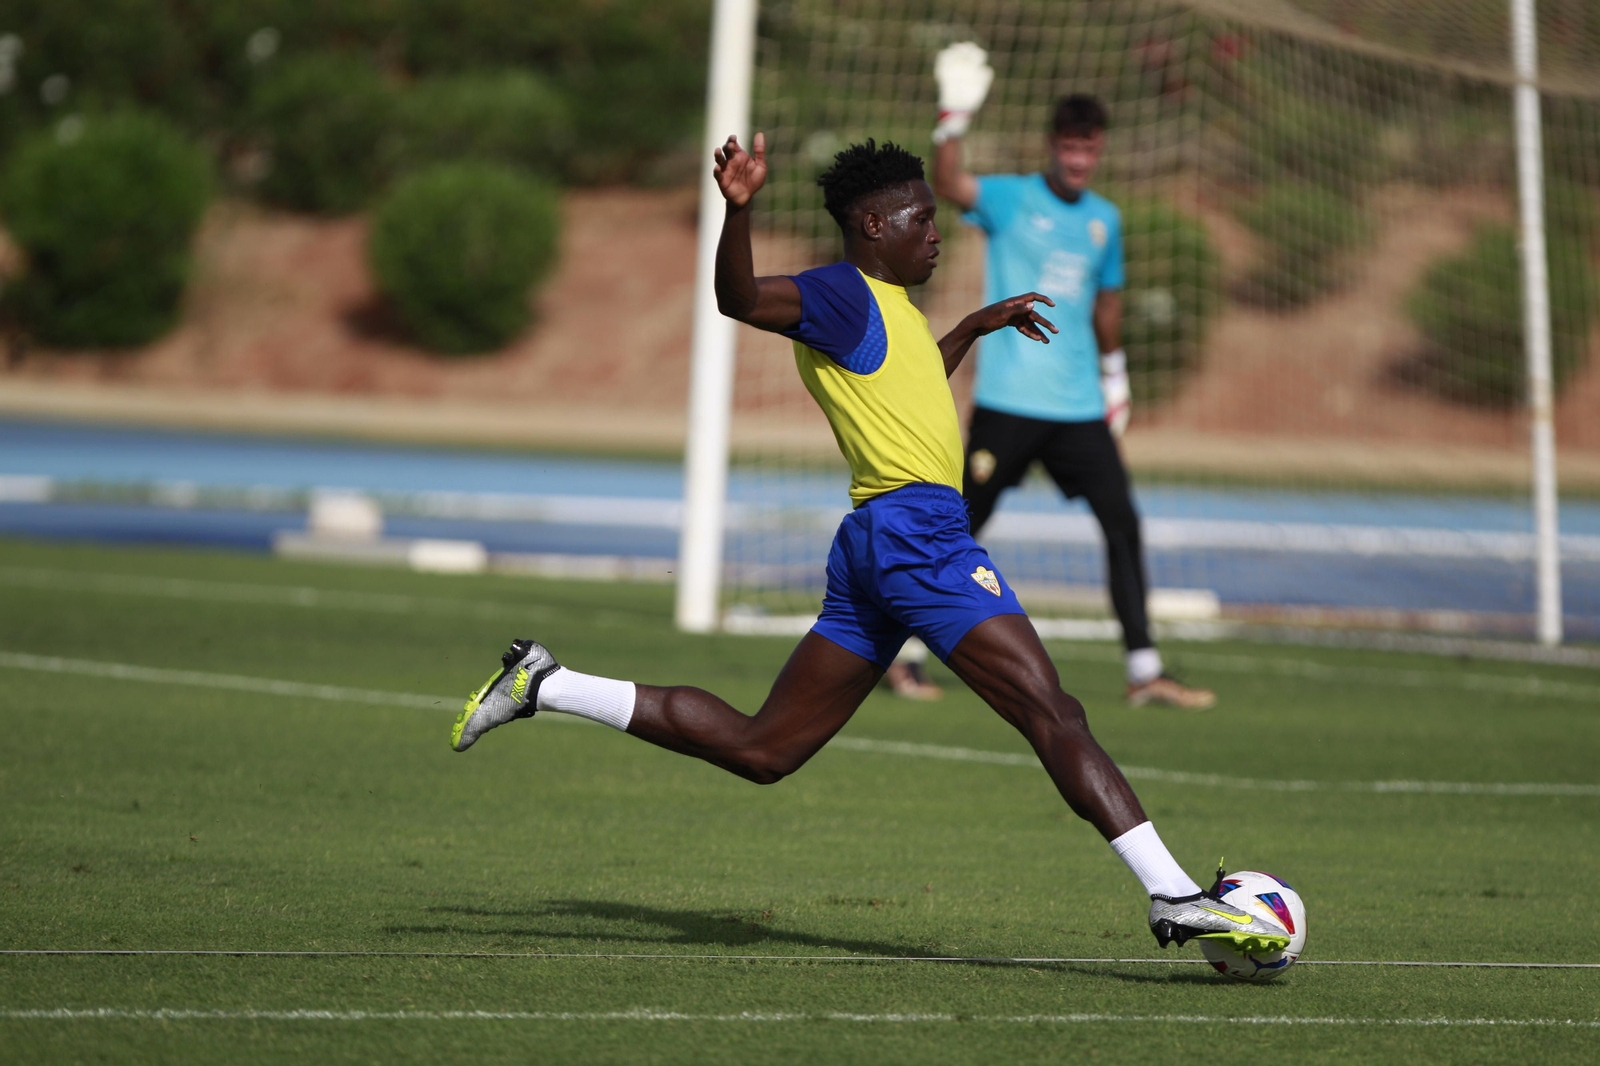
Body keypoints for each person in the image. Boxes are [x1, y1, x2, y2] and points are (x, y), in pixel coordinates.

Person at [450, 133, 1285, 956]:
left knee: (764, 749)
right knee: (1051, 709)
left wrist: (974, 327)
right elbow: (739, 300)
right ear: (876, 226)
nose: (936, 232)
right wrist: (737, 211)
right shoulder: (843, 296)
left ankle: (548, 684)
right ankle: (1173, 895)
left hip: (877, 545)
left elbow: (914, 375)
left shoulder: (894, 314)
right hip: (917, 536)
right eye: (922, 219)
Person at [930, 43, 1214, 710]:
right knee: (959, 528)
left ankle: (1144, 671)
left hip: (1080, 406)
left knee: (1123, 523)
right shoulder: (1009, 198)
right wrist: (954, 117)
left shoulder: (1103, 220)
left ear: (1100, 150)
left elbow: (1107, 303)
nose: (1079, 160)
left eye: (1090, 150)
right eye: (1070, 148)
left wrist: (1116, 377)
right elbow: (949, 183)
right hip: (1007, 401)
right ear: (1053, 146)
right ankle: (901, 652)